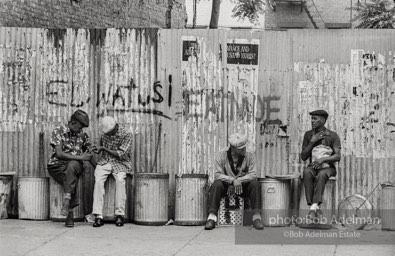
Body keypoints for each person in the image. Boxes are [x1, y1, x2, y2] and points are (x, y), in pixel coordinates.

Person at [204, 133, 264, 230]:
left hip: (243, 186)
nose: (244, 149)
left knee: (255, 184)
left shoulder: (250, 154)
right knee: (216, 184)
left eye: (245, 147)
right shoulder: (221, 154)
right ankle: (212, 218)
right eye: (241, 148)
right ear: (232, 148)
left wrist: (238, 181)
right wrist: (232, 181)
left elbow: (253, 174)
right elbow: (217, 174)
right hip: (227, 186)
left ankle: (256, 217)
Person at [47, 110, 95, 227]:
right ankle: (70, 211)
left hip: (75, 165)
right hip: (56, 166)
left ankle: (67, 204)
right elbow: (59, 154)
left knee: (72, 166)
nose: (81, 130)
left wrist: (97, 167)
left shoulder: (83, 135)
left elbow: (89, 154)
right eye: (80, 127)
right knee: (70, 177)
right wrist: (80, 157)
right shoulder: (58, 131)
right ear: (73, 122)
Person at [90, 116, 133, 227]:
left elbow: (121, 154)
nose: (107, 135)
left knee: (120, 180)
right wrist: (97, 149)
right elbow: (101, 149)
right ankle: (98, 215)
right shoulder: (104, 134)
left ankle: (120, 215)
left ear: (115, 128)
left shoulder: (127, 134)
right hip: (106, 161)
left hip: (121, 162)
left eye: (109, 133)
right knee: (98, 180)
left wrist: (104, 149)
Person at [301, 110, 341, 219]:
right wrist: (312, 141)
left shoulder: (332, 135)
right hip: (313, 167)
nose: (312, 121)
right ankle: (314, 207)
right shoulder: (308, 135)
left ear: (323, 120)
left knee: (322, 174)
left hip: (328, 168)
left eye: (315, 119)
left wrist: (323, 159)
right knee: (307, 172)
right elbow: (303, 156)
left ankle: (313, 208)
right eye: (311, 119)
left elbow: (338, 156)